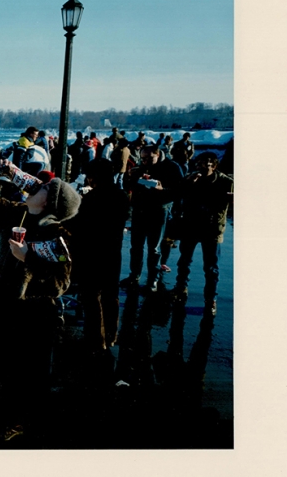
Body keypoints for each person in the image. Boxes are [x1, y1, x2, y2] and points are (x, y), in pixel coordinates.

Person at [0, 162, 80, 435]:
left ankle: (21, 422)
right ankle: (6, 413)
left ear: (50, 203)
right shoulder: (18, 213)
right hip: (1, 305)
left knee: (28, 373)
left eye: (45, 187)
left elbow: (61, 284)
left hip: (32, 317)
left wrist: (28, 259)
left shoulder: (57, 235)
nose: (37, 184)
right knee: (3, 363)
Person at [67, 159, 130, 352]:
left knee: (92, 296)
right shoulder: (122, 196)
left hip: (91, 254)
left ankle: (96, 339)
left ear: (94, 176)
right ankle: (111, 336)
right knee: (111, 296)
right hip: (113, 252)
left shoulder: (91, 199)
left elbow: (79, 227)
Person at [173, 152, 234, 316]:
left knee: (211, 267)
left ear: (213, 166)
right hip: (191, 225)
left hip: (212, 228)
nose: (200, 168)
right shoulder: (191, 178)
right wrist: (187, 184)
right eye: (198, 164)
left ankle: (210, 299)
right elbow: (178, 195)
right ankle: (181, 289)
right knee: (184, 261)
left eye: (205, 165)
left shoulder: (226, 182)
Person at [120, 145, 184, 293]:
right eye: (143, 159)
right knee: (136, 246)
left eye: (149, 158)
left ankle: (153, 279)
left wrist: (162, 190)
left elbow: (179, 191)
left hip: (158, 211)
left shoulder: (172, 167)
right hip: (140, 210)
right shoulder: (140, 167)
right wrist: (129, 176)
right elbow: (128, 186)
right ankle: (134, 275)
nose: (145, 162)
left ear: (158, 154)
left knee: (154, 247)